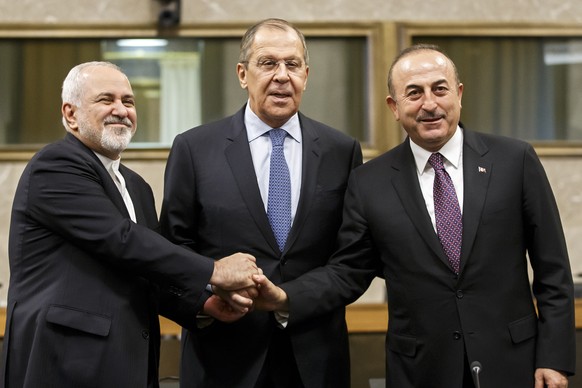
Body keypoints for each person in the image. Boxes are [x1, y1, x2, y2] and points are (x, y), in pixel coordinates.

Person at [253, 44, 576, 388]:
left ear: (459, 94)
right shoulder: (369, 182)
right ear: (394, 107)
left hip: (514, 364)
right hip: (421, 370)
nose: (430, 104)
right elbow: (348, 270)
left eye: (440, 89)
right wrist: (287, 297)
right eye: (414, 93)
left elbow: (553, 270)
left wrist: (554, 359)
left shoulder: (514, 161)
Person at [0, 61, 259, 388]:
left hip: (129, 363)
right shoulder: (54, 166)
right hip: (64, 363)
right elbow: (122, 240)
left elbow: (147, 270)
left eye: (129, 101)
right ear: (70, 114)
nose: (121, 110)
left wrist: (203, 304)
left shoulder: (137, 186)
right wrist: (214, 271)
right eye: (106, 100)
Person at [159, 18, 362, 388]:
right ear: (242, 74)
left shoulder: (341, 151)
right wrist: (207, 301)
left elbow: (350, 260)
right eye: (268, 63)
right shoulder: (194, 148)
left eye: (292, 64)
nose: (282, 75)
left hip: (315, 359)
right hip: (222, 358)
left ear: (306, 74)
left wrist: (287, 298)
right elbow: (174, 250)